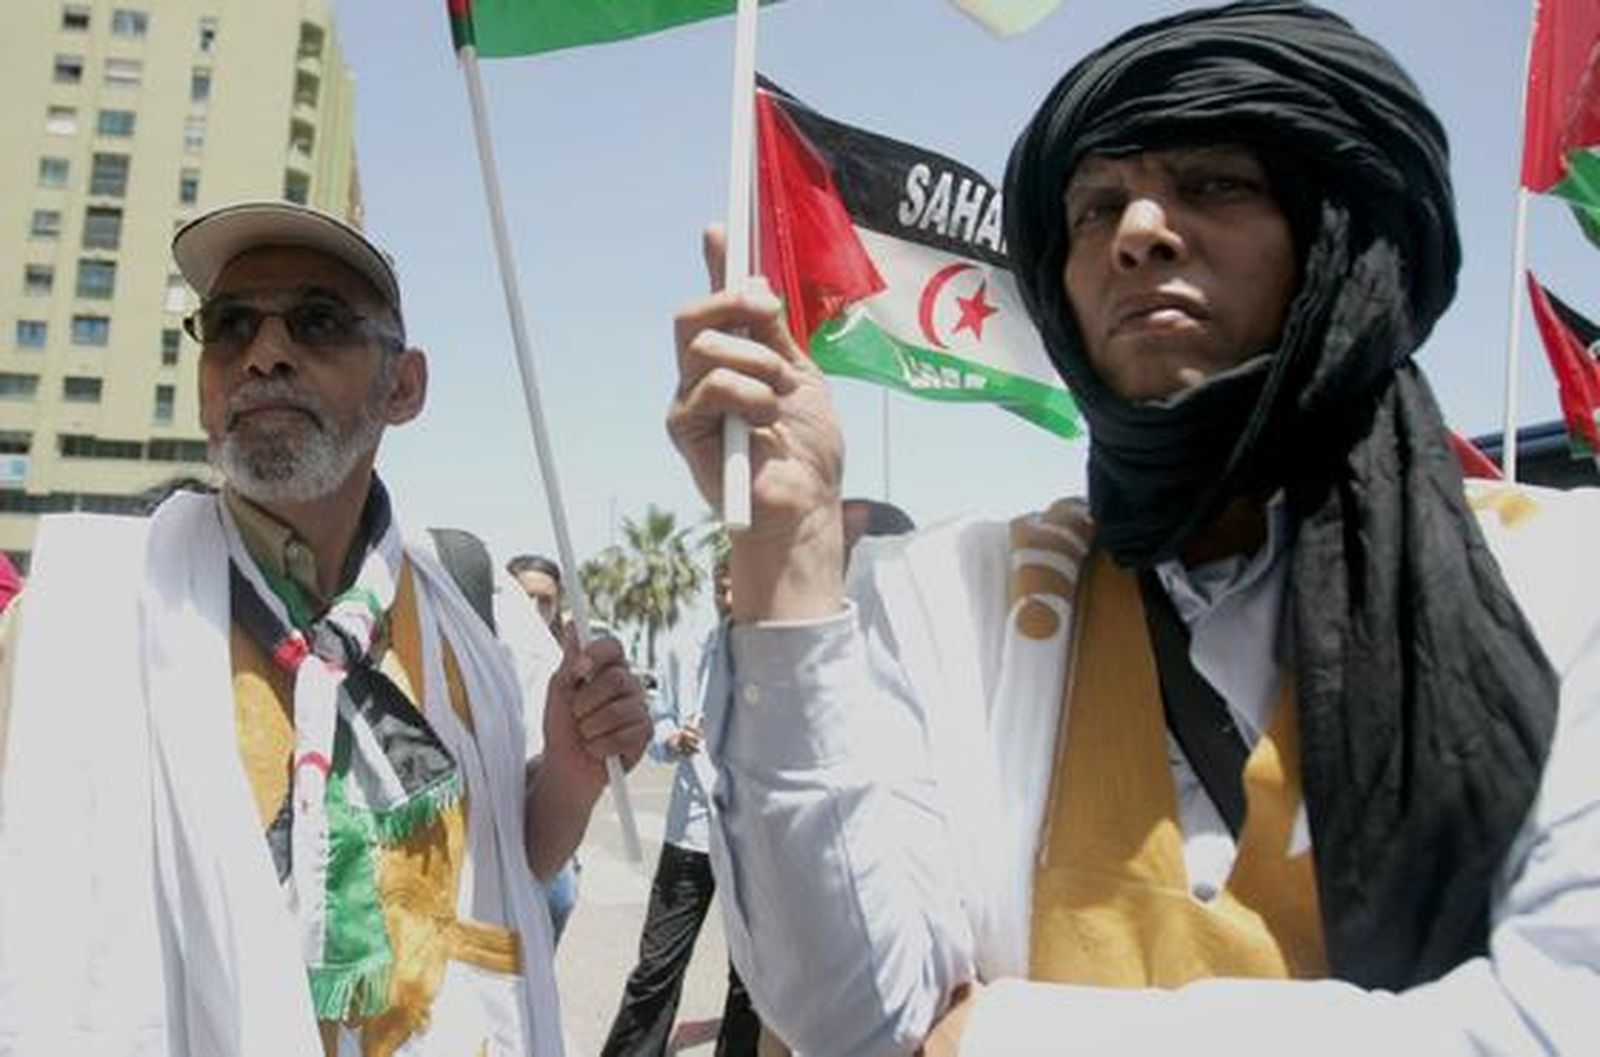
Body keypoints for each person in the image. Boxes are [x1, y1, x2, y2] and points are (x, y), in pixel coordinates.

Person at [666, 3, 1598, 1056]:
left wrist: (1006, 1037)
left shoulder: (1559, 579)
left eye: (1214, 185)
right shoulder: (952, 597)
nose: (1138, 232)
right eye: (1095, 206)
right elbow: (848, 1014)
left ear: (1335, 237)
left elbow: (1560, 1017)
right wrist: (786, 556)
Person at [0, 200, 651, 1056]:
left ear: (404, 386)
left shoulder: (472, 604)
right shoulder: (84, 611)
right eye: (229, 326)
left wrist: (570, 771)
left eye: (317, 322)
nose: (264, 353)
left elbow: (518, 856)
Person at [600, 555, 760, 1057]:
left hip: (756, 846)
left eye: (740, 590)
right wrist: (673, 738)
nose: (729, 601)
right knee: (656, 967)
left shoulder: (780, 656)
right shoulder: (683, 650)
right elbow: (659, 721)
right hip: (690, 836)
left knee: (752, 979)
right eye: (720, 589)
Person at [502, 551, 583, 944]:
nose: (534, 608)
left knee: (558, 902)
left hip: (550, 821)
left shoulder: (569, 660)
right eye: (524, 597)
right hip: (498, 823)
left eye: (545, 600)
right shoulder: (484, 655)